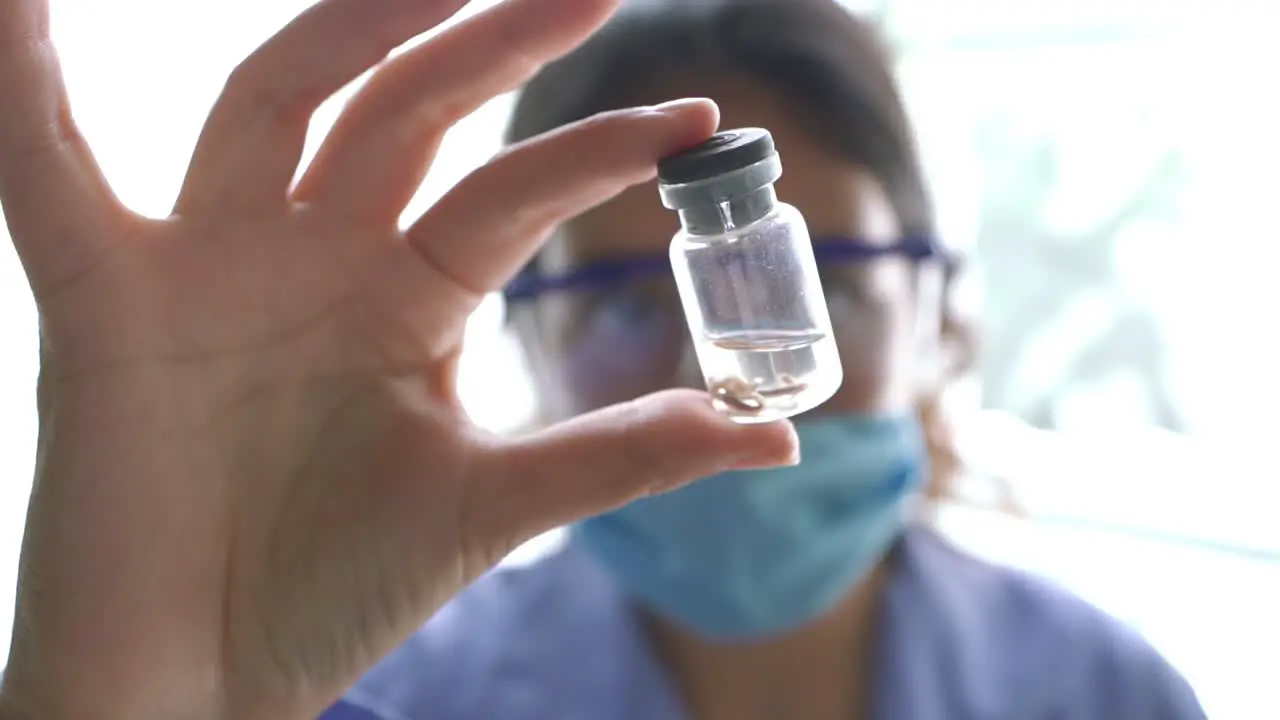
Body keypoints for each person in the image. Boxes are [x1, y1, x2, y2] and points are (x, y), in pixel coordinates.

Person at [0, 2, 1203, 720]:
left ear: (941, 316)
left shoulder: (1106, 694)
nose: (713, 366)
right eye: (623, 305)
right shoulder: (381, 697)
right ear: (520, 335)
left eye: (825, 285)